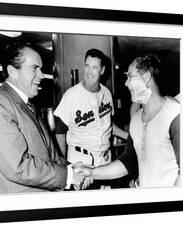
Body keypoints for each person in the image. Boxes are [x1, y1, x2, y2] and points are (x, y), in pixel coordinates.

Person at [0, 42, 90, 194]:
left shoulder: (28, 105)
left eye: (41, 68)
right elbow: (18, 166)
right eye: (34, 68)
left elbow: (48, 154)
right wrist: (68, 176)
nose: (42, 75)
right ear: (12, 71)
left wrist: (72, 169)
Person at [78, 53, 180, 188]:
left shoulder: (175, 114)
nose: (126, 83)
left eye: (130, 76)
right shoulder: (136, 120)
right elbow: (127, 163)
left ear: (147, 77)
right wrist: (91, 172)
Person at [54, 48, 128, 180]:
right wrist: (63, 164)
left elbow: (109, 125)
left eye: (94, 67)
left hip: (105, 160)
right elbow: (60, 131)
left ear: (102, 70)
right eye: (87, 66)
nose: (89, 71)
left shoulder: (107, 93)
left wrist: (128, 136)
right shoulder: (71, 95)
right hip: (81, 161)